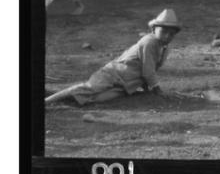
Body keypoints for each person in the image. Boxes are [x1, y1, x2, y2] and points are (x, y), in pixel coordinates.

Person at [45, 9, 181, 105]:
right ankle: (47, 101)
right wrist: (157, 89)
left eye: (171, 34)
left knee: (95, 99)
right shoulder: (149, 42)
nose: (167, 36)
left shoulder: (165, 47)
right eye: (163, 32)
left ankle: (57, 97)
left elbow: (150, 67)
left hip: (126, 84)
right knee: (89, 89)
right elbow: (148, 70)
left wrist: (147, 89)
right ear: (153, 30)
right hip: (113, 74)